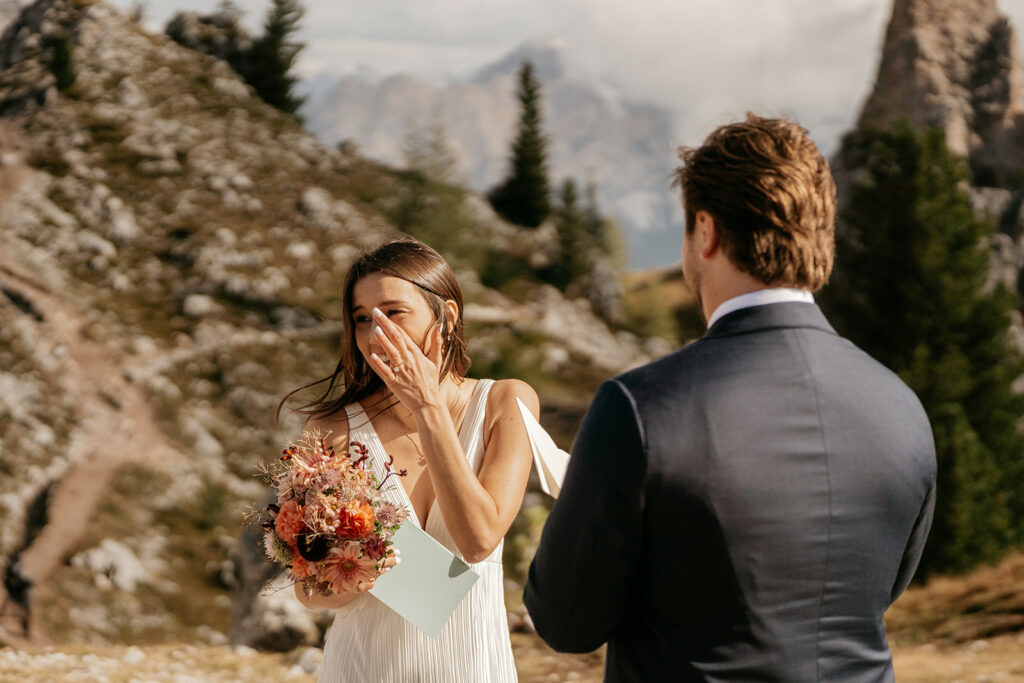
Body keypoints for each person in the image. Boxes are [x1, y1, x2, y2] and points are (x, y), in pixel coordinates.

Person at [524, 114, 937, 681]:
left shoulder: (640, 408)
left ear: (706, 231)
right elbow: (876, 592)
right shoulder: (902, 407)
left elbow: (566, 622)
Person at [281, 239, 538, 682]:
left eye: (394, 312)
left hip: (472, 665)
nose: (377, 333)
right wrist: (355, 573)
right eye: (362, 319)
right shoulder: (332, 429)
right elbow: (309, 591)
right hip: (364, 667)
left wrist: (428, 408)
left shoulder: (506, 403)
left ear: (448, 317)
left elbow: (479, 540)